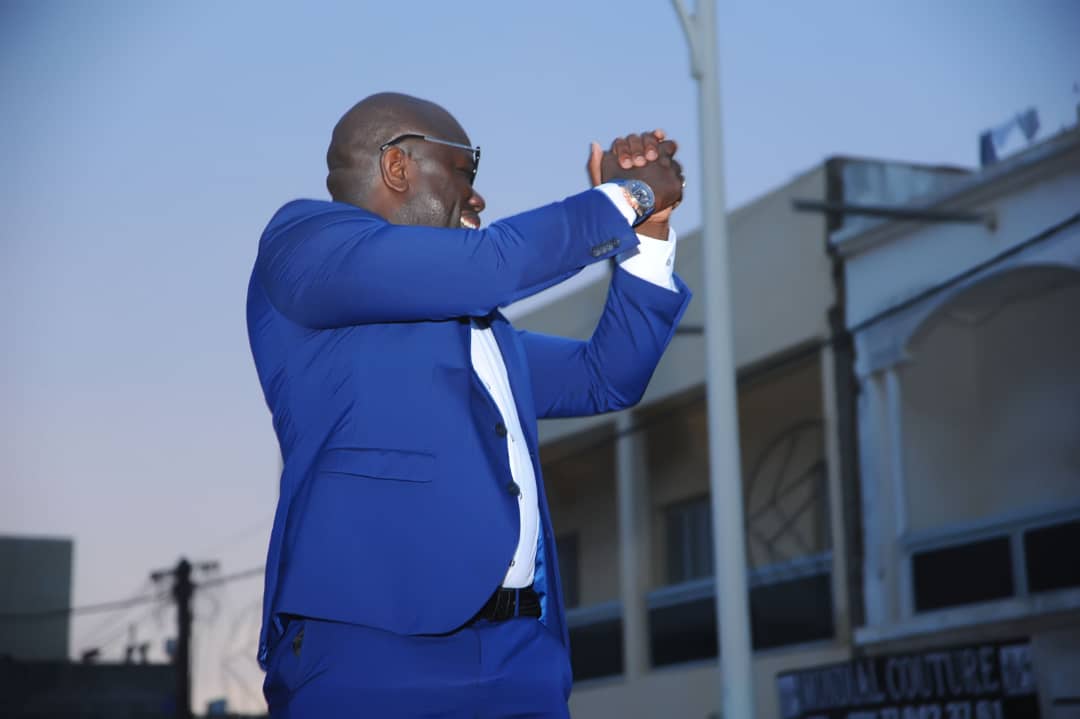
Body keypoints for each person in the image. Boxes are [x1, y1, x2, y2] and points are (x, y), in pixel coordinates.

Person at [247, 92, 691, 717]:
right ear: (398, 168)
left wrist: (646, 235)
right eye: (465, 171)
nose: (478, 196)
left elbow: (605, 377)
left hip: (520, 657)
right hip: (372, 646)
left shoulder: (483, 331)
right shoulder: (304, 244)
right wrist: (628, 196)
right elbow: (492, 264)